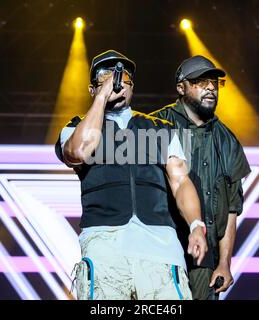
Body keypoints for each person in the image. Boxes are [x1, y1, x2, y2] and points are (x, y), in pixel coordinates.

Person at [54, 50, 208, 300]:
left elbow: (180, 181)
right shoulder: (74, 127)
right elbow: (78, 152)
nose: (116, 82)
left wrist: (196, 225)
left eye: (123, 77)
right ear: (92, 88)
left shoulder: (161, 129)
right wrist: (103, 98)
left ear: (132, 87)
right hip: (105, 249)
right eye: (106, 77)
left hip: (160, 250)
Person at [151, 55, 251, 300]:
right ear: (180, 87)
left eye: (214, 82)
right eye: (200, 81)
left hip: (205, 262)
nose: (210, 87)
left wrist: (225, 263)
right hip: (158, 256)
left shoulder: (228, 141)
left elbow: (231, 209)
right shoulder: (154, 126)